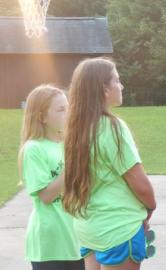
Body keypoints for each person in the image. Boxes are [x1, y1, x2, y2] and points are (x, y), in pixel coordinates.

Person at [62, 57, 156, 270]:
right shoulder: (112, 127)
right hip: (118, 228)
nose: (121, 86)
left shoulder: (76, 130)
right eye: (117, 80)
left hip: (88, 227)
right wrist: (150, 206)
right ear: (104, 89)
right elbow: (139, 184)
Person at [19, 85, 84, 270]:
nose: (68, 113)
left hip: (77, 238)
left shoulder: (69, 145)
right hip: (50, 244)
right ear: (42, 117)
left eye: (68, 107)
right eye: (61, 109)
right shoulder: (34, 149)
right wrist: (72, 165)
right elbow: (46, 196)